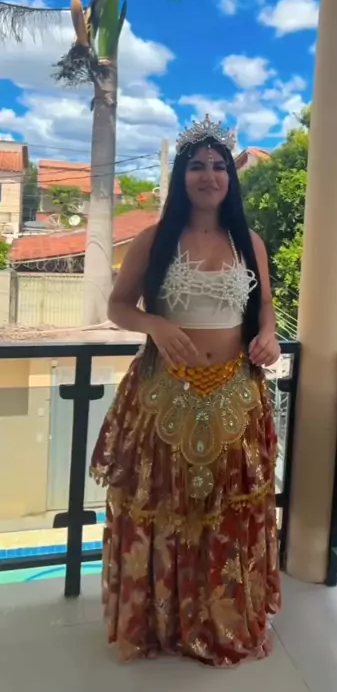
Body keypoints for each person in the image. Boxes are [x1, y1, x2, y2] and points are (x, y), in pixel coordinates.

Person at [90, 115, 282, 667]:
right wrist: (154, 324)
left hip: (236, 392)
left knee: (228, 511)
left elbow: (265, 305)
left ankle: (221, 619)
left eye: (219, 166)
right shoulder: (154, 240)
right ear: (181, 176)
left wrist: (269, 334)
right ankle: (165, 622)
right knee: (163, 507)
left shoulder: (249, 241)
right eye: (197, 166)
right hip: (163, 394)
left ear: (230, 177)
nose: (209, 175)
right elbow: (118, 306)